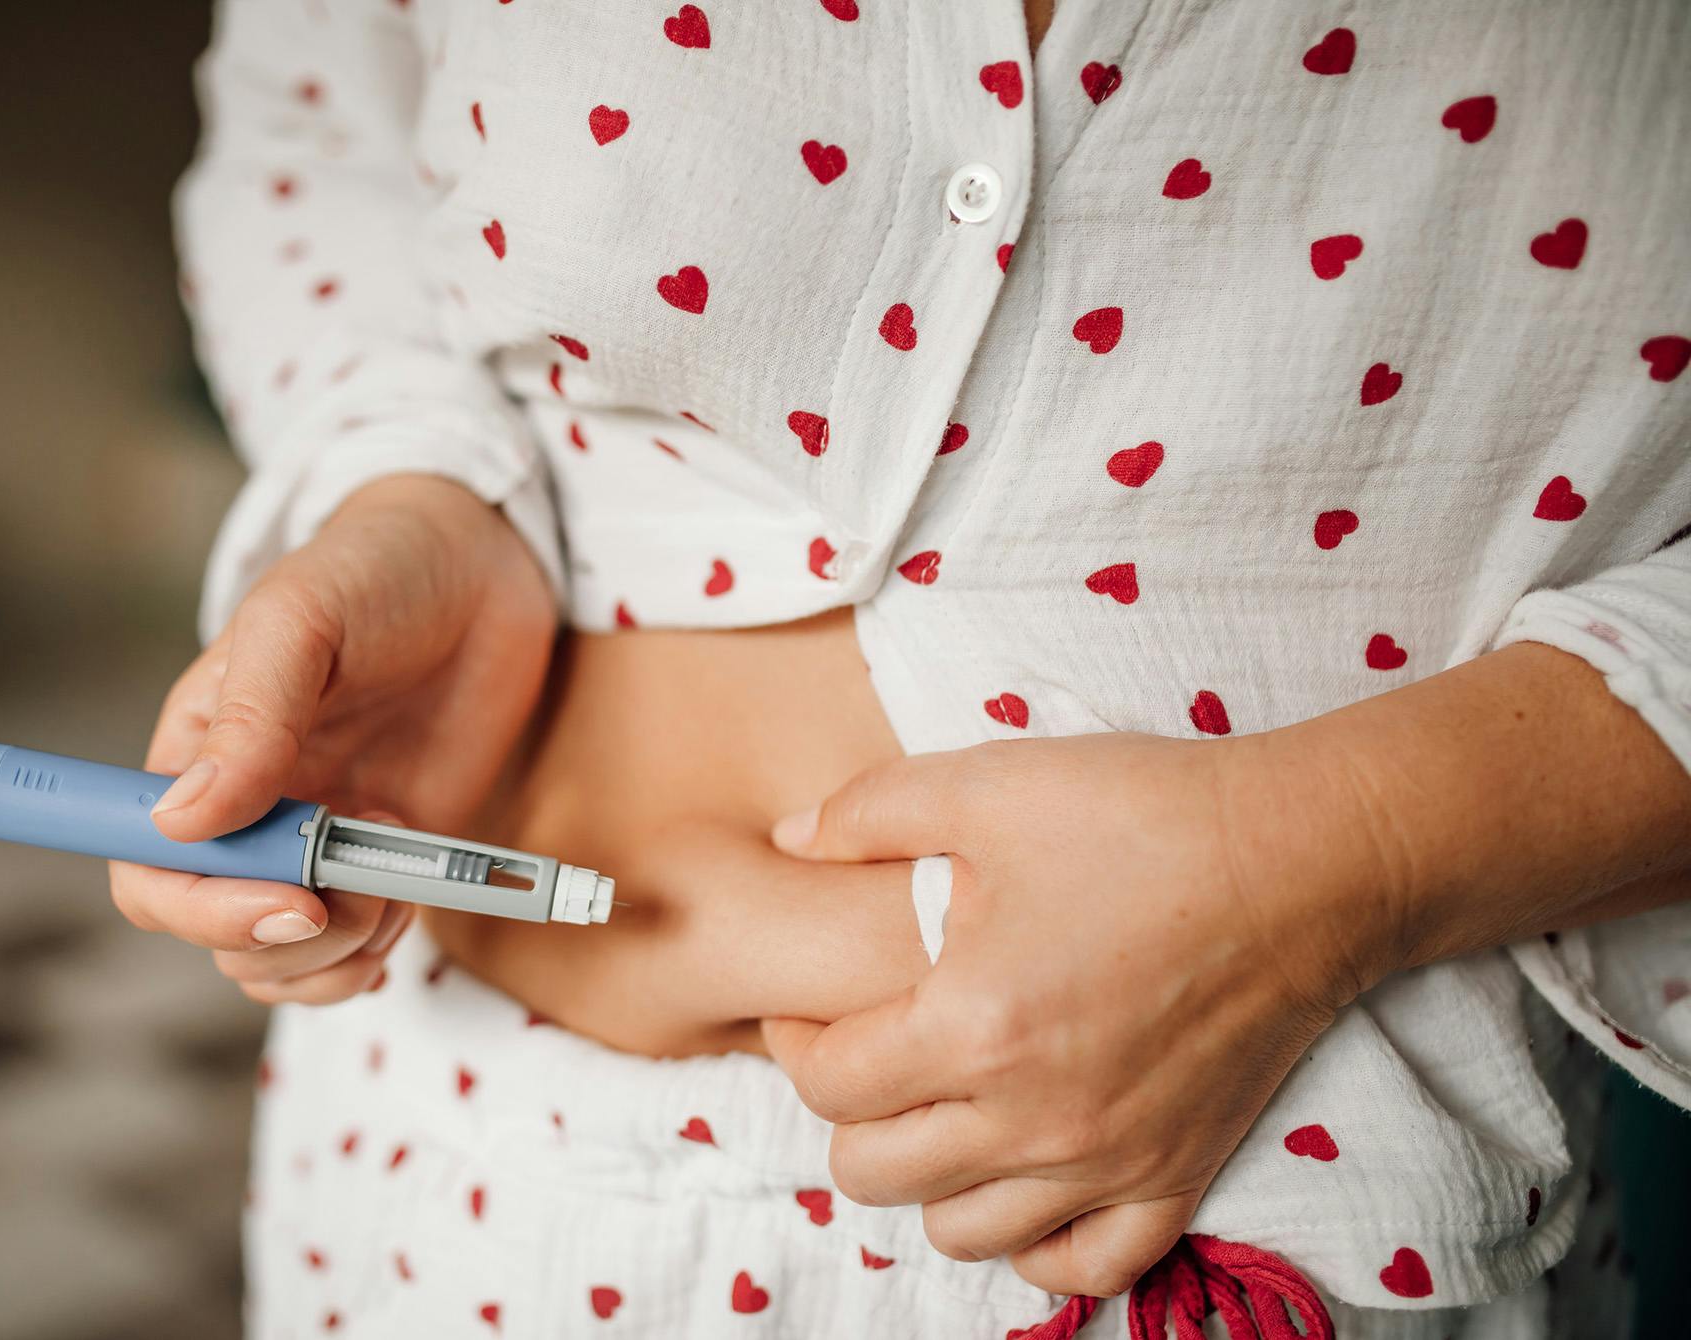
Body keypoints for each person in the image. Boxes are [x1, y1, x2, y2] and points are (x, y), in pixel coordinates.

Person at [110, 0, 1691, 1334]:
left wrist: (1349, 854)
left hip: (1203, 1229)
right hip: (456, 1177)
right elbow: (321, 135)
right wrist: (413, 494)